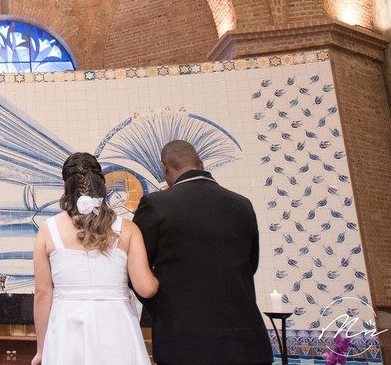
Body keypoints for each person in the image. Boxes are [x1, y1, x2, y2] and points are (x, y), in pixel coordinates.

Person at [132, 140, 272, 365]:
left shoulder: (156, 205)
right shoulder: (242, 205)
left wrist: (163, 307)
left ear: (164, 168)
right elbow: (250, 265)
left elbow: (136, 271)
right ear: (201, 163)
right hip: (246, 341)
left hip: (185, 341)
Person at [31, 152, 157, 365]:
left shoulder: (48, 229)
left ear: (65, 186)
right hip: (117, 327)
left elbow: (42, 294)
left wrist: (41, 349)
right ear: (102, 185)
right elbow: (145, 288)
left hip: (66, 329)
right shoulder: (128, 229)